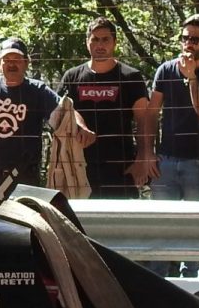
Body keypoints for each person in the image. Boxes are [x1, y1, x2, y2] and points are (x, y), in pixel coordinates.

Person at [59, 18, 151, 199]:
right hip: (79, 166)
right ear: (87, 42)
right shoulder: (72, 76)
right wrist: (80, 125)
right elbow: (60, 111)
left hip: (120, 166)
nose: (100, 45)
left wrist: (142, 158)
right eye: (95, 39)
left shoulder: (131, 76)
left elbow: (144, 121)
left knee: (119, 223)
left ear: (115, 42)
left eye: (105, 39)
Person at [0, 37, 73, 188]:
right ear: (0, 64)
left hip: (26, 175)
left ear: (26, 63)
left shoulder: (38, 90)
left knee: (27, 212)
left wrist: (82, 128)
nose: (11, 64)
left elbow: (65, 111)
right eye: (7, 60)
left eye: (17, 59)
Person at [141, 13, 199, 204]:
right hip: (166, 160)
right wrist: (147, 153)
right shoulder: (166, 70)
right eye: (184, 38)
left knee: (197, 225)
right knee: (162, 223)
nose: (188, 43)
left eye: (195, 39)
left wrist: (192, 78)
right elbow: (151, 113)